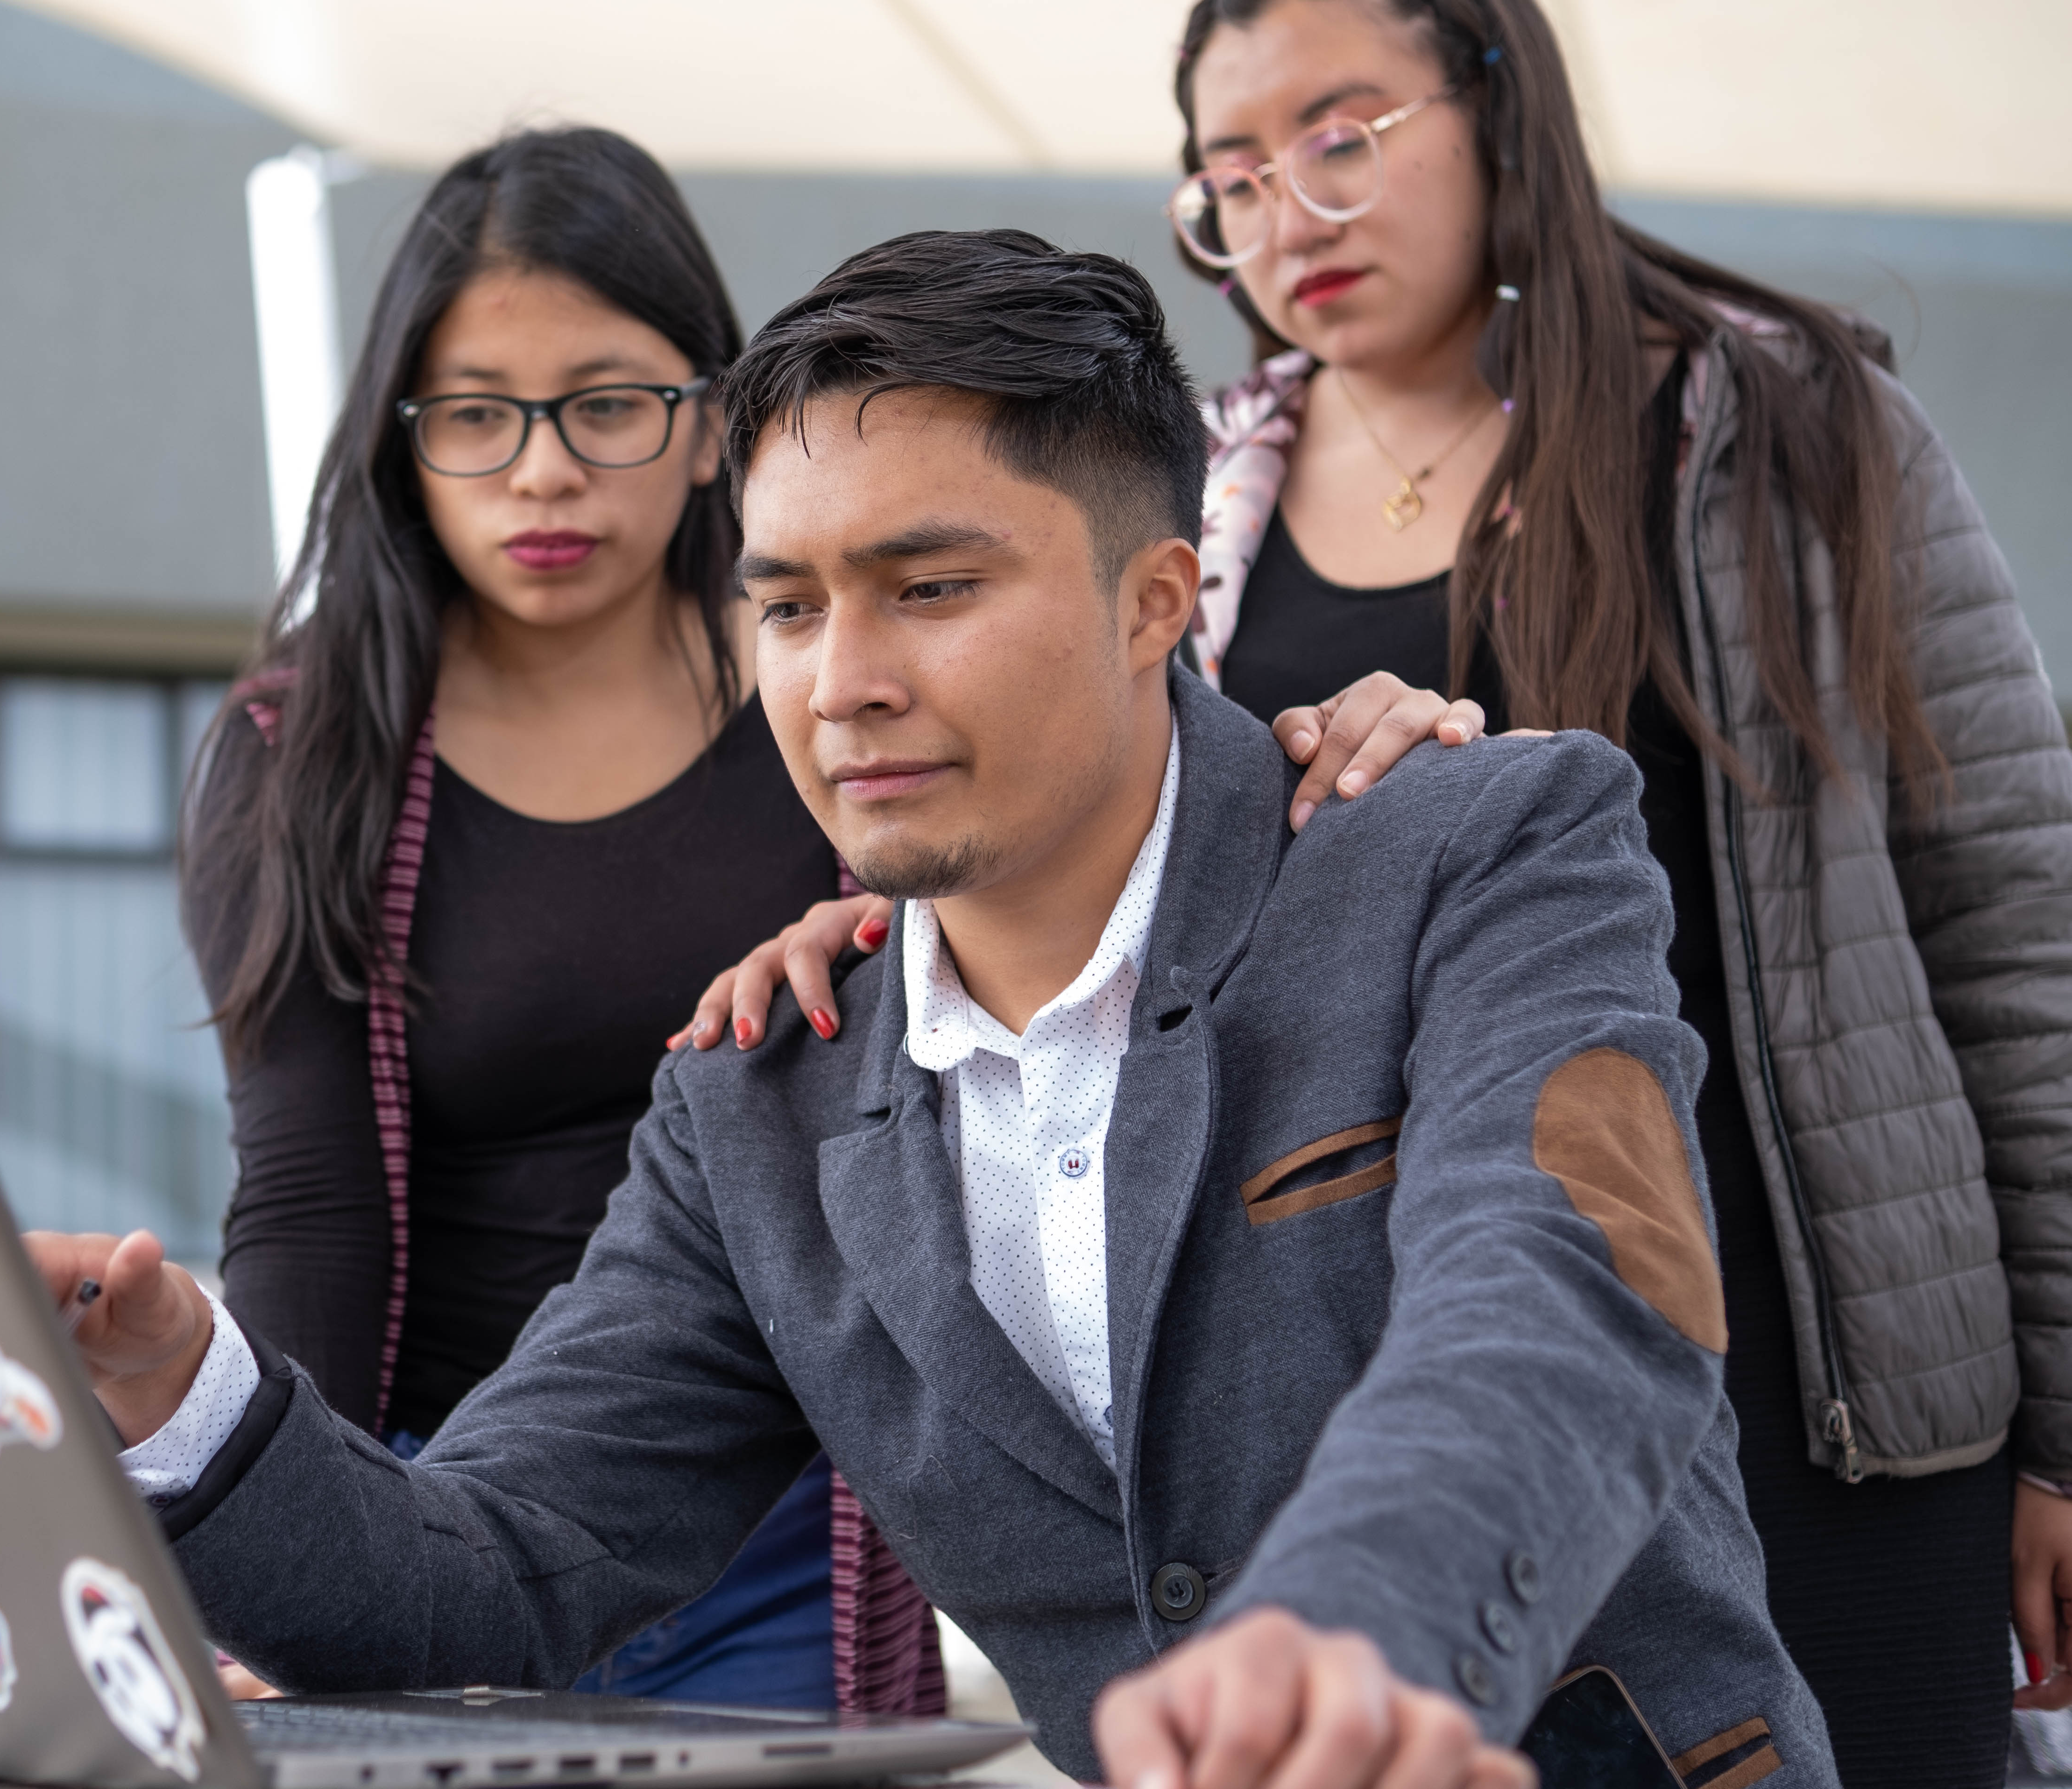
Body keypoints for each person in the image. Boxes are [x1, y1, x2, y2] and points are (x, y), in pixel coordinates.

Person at [32, 228, 1832, 1789]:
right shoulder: (765, 1094)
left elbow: (1562, 1301)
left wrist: (1346, 1627)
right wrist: (180, 1389)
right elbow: (491, 1565)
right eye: (789, 607)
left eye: (933, 588)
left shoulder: (1476, 843)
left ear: (1158, 599)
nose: (844, 683)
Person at [683, 3, 2072, 1782]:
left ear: (1501, 107)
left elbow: (2013, 928)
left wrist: (2057, 1435)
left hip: (1820, 1364)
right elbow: (1089, 852)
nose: (1286, 220)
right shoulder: (1207, 490)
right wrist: (880, 936)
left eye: (1339, 141)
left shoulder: (1787, 426)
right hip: (1398, 1386)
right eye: (1232, 179)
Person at [179, 127, 935, 1712]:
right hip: (424, 1515)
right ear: (404, 438)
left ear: (716, 422)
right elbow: (308, 1202)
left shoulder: (845, 693)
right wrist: (266, 1562)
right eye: (476, 417)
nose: (542, 472)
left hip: (781, 1530)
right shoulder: (301, 750)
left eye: (607, 405)